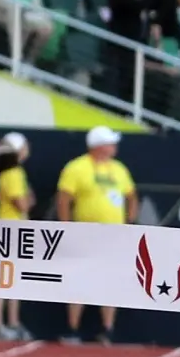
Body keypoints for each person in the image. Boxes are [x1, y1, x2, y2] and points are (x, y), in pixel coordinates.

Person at [56, 127, 138, 344]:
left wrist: (129, 222)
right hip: (85, 233)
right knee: (78, 280)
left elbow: (131, 195)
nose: (114, 147)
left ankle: (107, 329)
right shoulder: (77, 167)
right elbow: (64, 200)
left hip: (113, 235)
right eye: (111, 143)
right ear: (99, 146)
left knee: (110, 281)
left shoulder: (119, 169)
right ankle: (73, 328)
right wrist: (66, 228)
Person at [0, 132, 34, 341]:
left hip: (14, 228)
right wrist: (28, 198)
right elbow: (23, 203)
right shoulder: (14, 173)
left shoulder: (13, 173)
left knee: (13, 279)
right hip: (10, 229)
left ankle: (12, 322)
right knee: (4, 279)